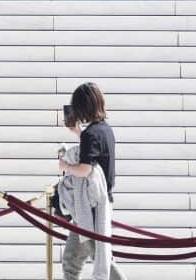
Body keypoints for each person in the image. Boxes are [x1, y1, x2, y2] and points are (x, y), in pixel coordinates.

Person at [57, 83, 125, 280]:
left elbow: (85, 169)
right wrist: (78, 133)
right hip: (94, 206)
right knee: (71, 261)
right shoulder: (104, 130)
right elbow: (94, 157)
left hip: (91, 209)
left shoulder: (91, 134)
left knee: (102, 262)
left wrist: (65, 167)